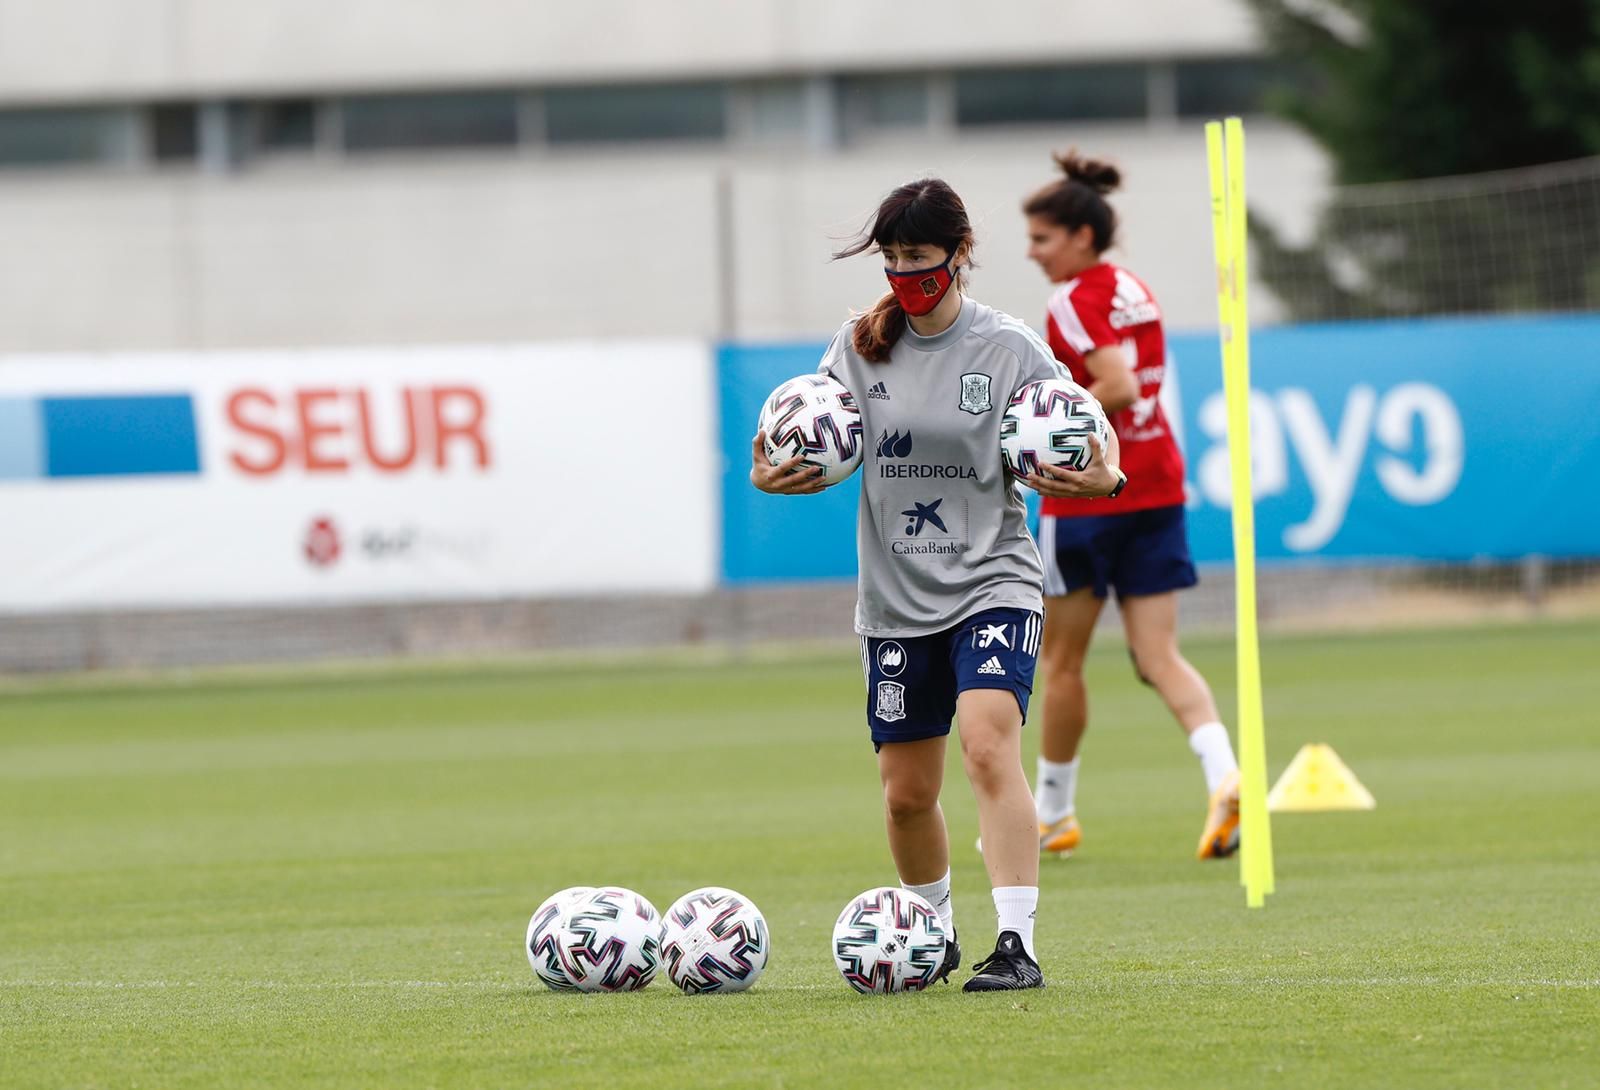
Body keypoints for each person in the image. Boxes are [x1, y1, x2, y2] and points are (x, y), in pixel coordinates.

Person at [751, 178, 1124, 992]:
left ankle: (1017, 945)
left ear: (959, 256)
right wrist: (771, 472)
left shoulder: (1011, 348)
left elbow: (1092, 446)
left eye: (918, 257)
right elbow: (797, 439)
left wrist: (1097, 480)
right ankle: (935, 934)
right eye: (891, 259)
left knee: (988, 745)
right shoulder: (858, 343)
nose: (903, 274)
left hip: (994, 579)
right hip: (894, 600)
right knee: (906, 795)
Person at [1021, 150, 1242, 862]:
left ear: (1081, 237)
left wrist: (1029, 425)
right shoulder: (1131, 287)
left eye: (1042, 240)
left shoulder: (1071, 299)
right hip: (1157, 483)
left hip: (1090, 495)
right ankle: (1224, 773)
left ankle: (1053, 812)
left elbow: (1115, 385)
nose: (1033, 254)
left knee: (1062, 662)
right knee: (1158, 656)